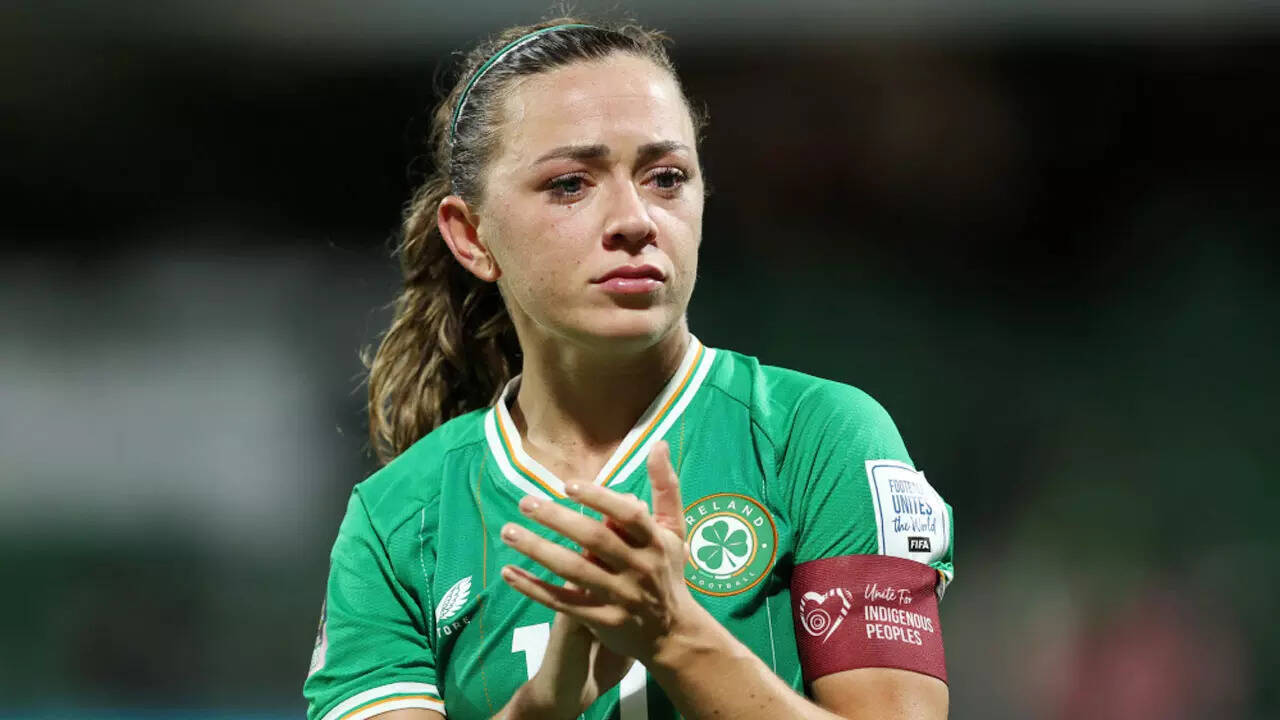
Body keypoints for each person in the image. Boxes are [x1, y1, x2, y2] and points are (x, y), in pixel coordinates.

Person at [303, 18, 955, 720]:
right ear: (472, 237)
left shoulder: (820, 437)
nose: (635, 219)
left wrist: (674, 636)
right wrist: (542, 707)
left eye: (666, 177)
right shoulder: (396, 521)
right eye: (570, 184)